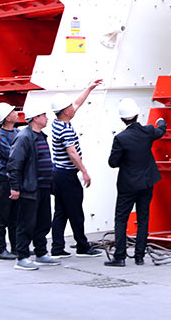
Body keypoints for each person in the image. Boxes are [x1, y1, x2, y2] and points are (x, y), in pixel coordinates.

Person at [104, 98, 166, 267]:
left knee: (121, 219)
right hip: (147, 182)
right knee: (143, 218)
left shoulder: (121, 138)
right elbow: (161, 130)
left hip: (128, 185)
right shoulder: (147, 131)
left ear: (122, 119)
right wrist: (161, 120)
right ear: (138, 115)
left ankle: (120, 256)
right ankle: (139, 256)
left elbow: (113, 162)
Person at [49, 79, 104, 258]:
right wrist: (84, 172)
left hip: (58, 174)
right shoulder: (65, 130)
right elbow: (72, 153)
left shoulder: (58, 123)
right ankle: (82, 246)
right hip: (67, 176)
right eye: (70, 107)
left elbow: (77, 103)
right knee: (75, 212)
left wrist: (89, 88)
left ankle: (57, 248)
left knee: (61, 212)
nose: (74, 107)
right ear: (65, 111)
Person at [7, 102, 60, 271]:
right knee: (26, 223)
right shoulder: (24, 137)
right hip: (30, 188)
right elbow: (14, 163)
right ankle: (22, 257)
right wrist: (15, 187)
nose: (46, 118)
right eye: (43, 115)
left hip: (43, 187)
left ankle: (41, 253)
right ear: (36, 118)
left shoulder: (40, 136)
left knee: (43, 221)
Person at [0, 102, 19, 260]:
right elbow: (13, 156)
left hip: (15, 178)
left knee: (15, 215)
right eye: (13, 111)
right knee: (3, 214)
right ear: (7, 117)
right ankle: (1, 248)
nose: (16, 113)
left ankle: (16, 247)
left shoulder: (16, 132)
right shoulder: (0, 136)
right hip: (5, 179)